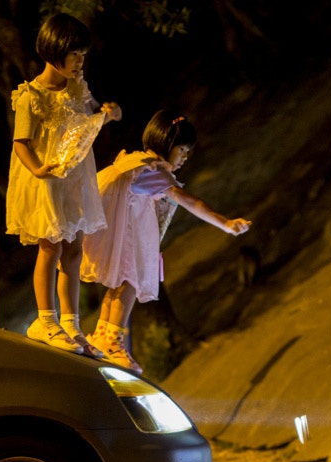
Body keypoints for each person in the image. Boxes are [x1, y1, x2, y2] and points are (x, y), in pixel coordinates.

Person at [81, 110, 251, 373]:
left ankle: (103, 335)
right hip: (120, 232)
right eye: (181, 150)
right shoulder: (152, 169)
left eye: (187, 152)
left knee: (121, 283)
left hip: (114, 227)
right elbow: (188, 200)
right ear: (165, 143)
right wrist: (225, 223)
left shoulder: (137, 162)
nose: (184, 157)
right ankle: (112, 341)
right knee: (131, 279)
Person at [6, 13, 122, 355]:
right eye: (75, 55)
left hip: (74, 177)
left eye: (83, 55)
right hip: (47, 181)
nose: (80, 62)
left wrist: (108, 112)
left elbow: (86, 120)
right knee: (50, 247)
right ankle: (45, 320)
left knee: (74, 250)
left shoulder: (77, 88)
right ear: (54, 52)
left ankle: (71, 325)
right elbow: (20, 142)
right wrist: (39, 171)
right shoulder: (31, 95)